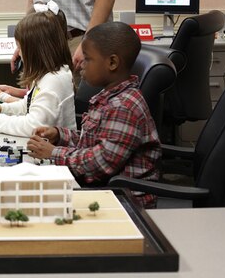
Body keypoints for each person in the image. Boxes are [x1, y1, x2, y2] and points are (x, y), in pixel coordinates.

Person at [27, 22, 161, 208]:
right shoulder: (109, 97)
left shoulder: (124, 107)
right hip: (107, 191)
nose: (81, 64)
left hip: (126, 203)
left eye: (88, 59)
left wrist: (53, 153)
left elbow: (100, 163)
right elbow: (93, 142)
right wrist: (60, 135)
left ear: (112, 63)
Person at [0, 5, 76, 137]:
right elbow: (28, 105)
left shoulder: (54, 80)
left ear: (34, 50)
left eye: (20, 47)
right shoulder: (48, 75)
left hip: (54, 153)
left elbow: (33, 127)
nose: (19, 53)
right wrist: (2, 108)